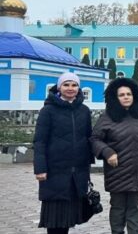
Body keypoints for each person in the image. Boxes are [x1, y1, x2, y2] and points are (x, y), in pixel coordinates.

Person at [91, 78, 138, 234]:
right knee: (118, 207)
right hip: (117, 171)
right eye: (122, 95)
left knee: (135, 206)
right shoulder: (107, 117)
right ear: (116, 97)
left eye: (129, 94)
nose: (126, 97)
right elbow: (95, 139)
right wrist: (107, 152)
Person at [33, 72, 93, 234]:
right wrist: (40, 168)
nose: (70, 88)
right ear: (59, 87)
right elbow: (40, 141)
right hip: (54, 171)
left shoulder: (84, 110)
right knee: (55, 218)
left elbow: (89, 138)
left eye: (74, 85)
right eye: (66, 84)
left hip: (77, 172)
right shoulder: (48, 111)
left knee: (68, 218)